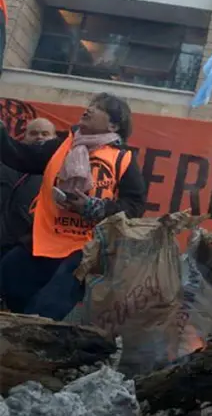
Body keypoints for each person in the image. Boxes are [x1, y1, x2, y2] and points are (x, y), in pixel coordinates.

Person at [0, 93, 146, 320]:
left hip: (84, 250)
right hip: (45, 241)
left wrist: (93, 208)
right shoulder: (59, 147)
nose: (88, 109)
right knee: (9, 274)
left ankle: (33, 340)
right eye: (90, 105)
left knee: (46, 308)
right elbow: (19, 155)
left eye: (98, 108)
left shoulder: (122, 158)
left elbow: (135, 206)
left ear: (113, 124)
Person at [0, 118, 57, 256]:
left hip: (28, 248)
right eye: (33, 133)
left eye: (45, 134)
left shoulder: (59, 170)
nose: (39, 137)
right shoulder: (4, 164)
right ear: (24, 136)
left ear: (55, 138)